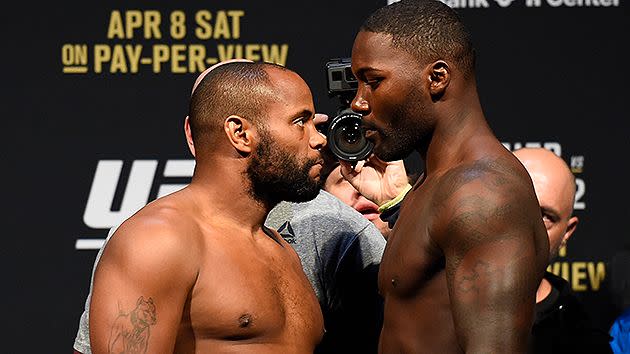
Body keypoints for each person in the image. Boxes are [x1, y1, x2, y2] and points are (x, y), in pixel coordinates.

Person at [74, 63, 386, 354]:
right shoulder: (158, 241)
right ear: (240, 134)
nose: (319, 139)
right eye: (300, 122)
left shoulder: (281, 250)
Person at [339, 0, 550, 352]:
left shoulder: (481, 194)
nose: (359, 103)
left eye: (373, 81)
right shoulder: (436, 182)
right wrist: (396, 203)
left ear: (437, 78)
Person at [514, 147, 612, 353]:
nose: (526, 225)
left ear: (567, 232)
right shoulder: (432, 310)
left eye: (545, 216)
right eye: (513, 205)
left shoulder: (585, 342)